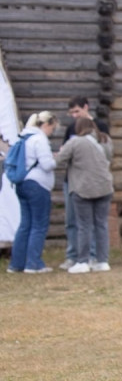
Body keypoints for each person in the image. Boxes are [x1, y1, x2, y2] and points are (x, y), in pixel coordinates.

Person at [57, 117, 114, 274]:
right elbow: (109, 158)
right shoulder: (105, 139)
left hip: (82, 187)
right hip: (104, 186)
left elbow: (60, 160)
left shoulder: (75, 142)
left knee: (84, 225)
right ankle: (102, 261)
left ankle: (83, 260)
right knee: (101, 224)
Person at [8, 111, 58, 274]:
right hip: (38, 185)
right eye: (53, 128)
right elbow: (46, 164)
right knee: (39, 224)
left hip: (22, 183)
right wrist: (56, 158)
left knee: (25, 224)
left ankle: (17, 264)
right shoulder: (39, 139)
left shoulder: (24, 137)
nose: (52, 132)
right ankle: (33, 263)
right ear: (46, 125)